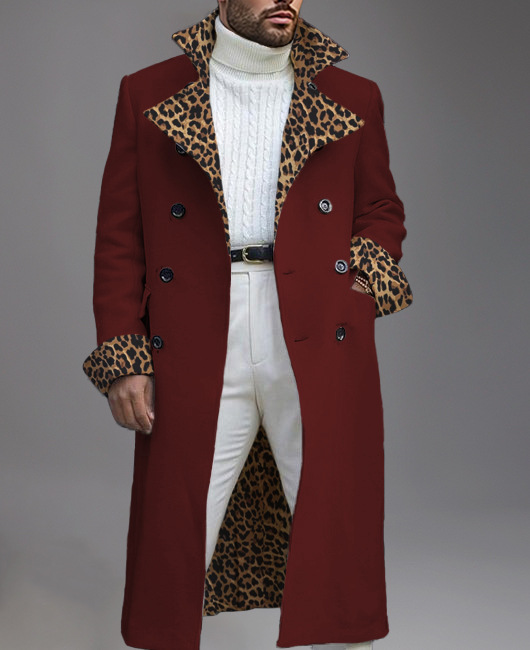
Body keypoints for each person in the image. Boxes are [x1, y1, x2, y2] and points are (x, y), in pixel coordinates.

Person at [82, 2, 413, 649]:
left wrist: (356, 288)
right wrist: (123, 354)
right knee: (178, 517)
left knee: (332, 510)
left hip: (315, 319)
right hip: (197, 319)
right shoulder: (148, 93)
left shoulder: (353, 95)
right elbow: (120, 237)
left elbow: (380, 207)